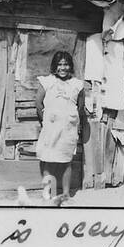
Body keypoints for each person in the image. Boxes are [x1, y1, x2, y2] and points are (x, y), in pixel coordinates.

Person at [35, 50, 86, 203]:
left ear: (70, 66)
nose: (63, 68)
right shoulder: (47, 82)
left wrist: (76, 124)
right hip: (50, 127)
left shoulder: (77, 85)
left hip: (68, 129)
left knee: (66, 160)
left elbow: (80, 108)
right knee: (48, 159)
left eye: (66, 64)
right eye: (60, 64)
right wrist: (45, 121)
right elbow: (38, 103)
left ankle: (65, 193)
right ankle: (47, 190)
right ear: (55, 66)